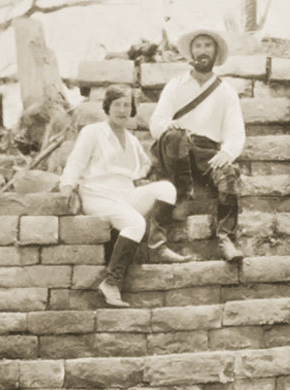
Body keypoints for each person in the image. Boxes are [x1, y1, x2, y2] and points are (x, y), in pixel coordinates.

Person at [60, 85, 190, 308]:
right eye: (117, 105)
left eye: (126, 105)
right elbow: (77, 161)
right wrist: (67, 185)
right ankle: (111, 282)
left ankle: (157, 247)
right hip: (97, 194)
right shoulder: (93, 132)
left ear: (132, 109)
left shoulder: (131, 139)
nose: (122, 110)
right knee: (136, 223)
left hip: (124, 194)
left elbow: (145, 164)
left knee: (167, 190)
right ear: (107, 107)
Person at [150, 29, 245, 263]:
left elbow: (235, 133)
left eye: (208, 46)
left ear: (215, 52)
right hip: (176, 149)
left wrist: (227, 152)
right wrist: (168, 126)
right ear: (191, 52)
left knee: (229, 175)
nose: (203, 51)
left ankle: (225, 238)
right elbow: (156, 122)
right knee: (176, 138)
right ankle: (182, 196)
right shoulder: (176, 85)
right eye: (198, 46)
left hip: (207, 152)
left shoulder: (226, 92)